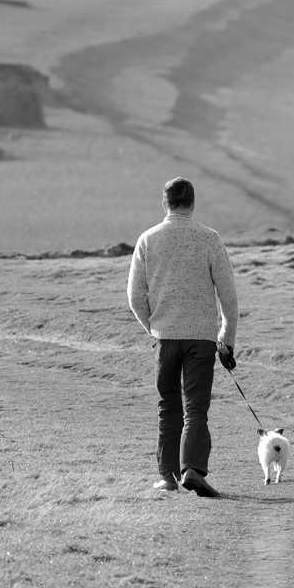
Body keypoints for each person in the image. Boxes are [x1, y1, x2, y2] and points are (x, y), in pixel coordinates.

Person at [128, 177, 238, 498]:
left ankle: (167, 477)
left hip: (165, 337)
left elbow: (135, 295)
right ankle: (192, 469)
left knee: (168, 406)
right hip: (202, 338)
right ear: (192, 203)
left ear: (165, 203)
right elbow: (228, 295)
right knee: (196, 408)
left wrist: (153, 327)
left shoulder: (147, 240)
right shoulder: (209, 239)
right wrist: (226, 337)